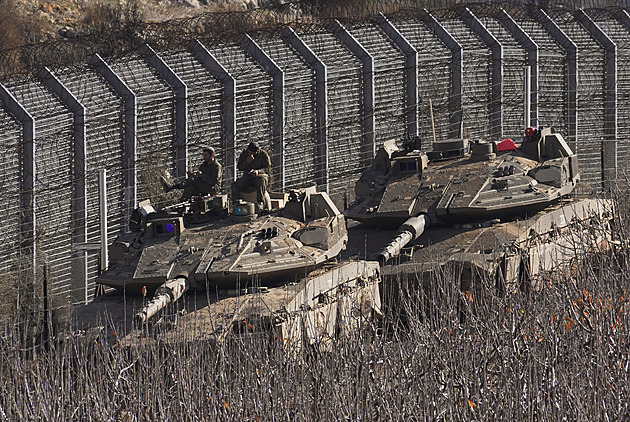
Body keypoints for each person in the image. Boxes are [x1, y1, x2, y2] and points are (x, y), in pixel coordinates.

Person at [231, 141, 271, 206]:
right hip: (248, 176)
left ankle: (260, 202)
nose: (250, 154)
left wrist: (258, 171)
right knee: (235, 185)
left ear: (257, 152)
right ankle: (236, 203)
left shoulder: (263, 155)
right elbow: (240, 167)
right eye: (249, 152)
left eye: (252, 153)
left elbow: (267, 169)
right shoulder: (245, 154)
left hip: (259, 176)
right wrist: (247, 162)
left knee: (261, 181)